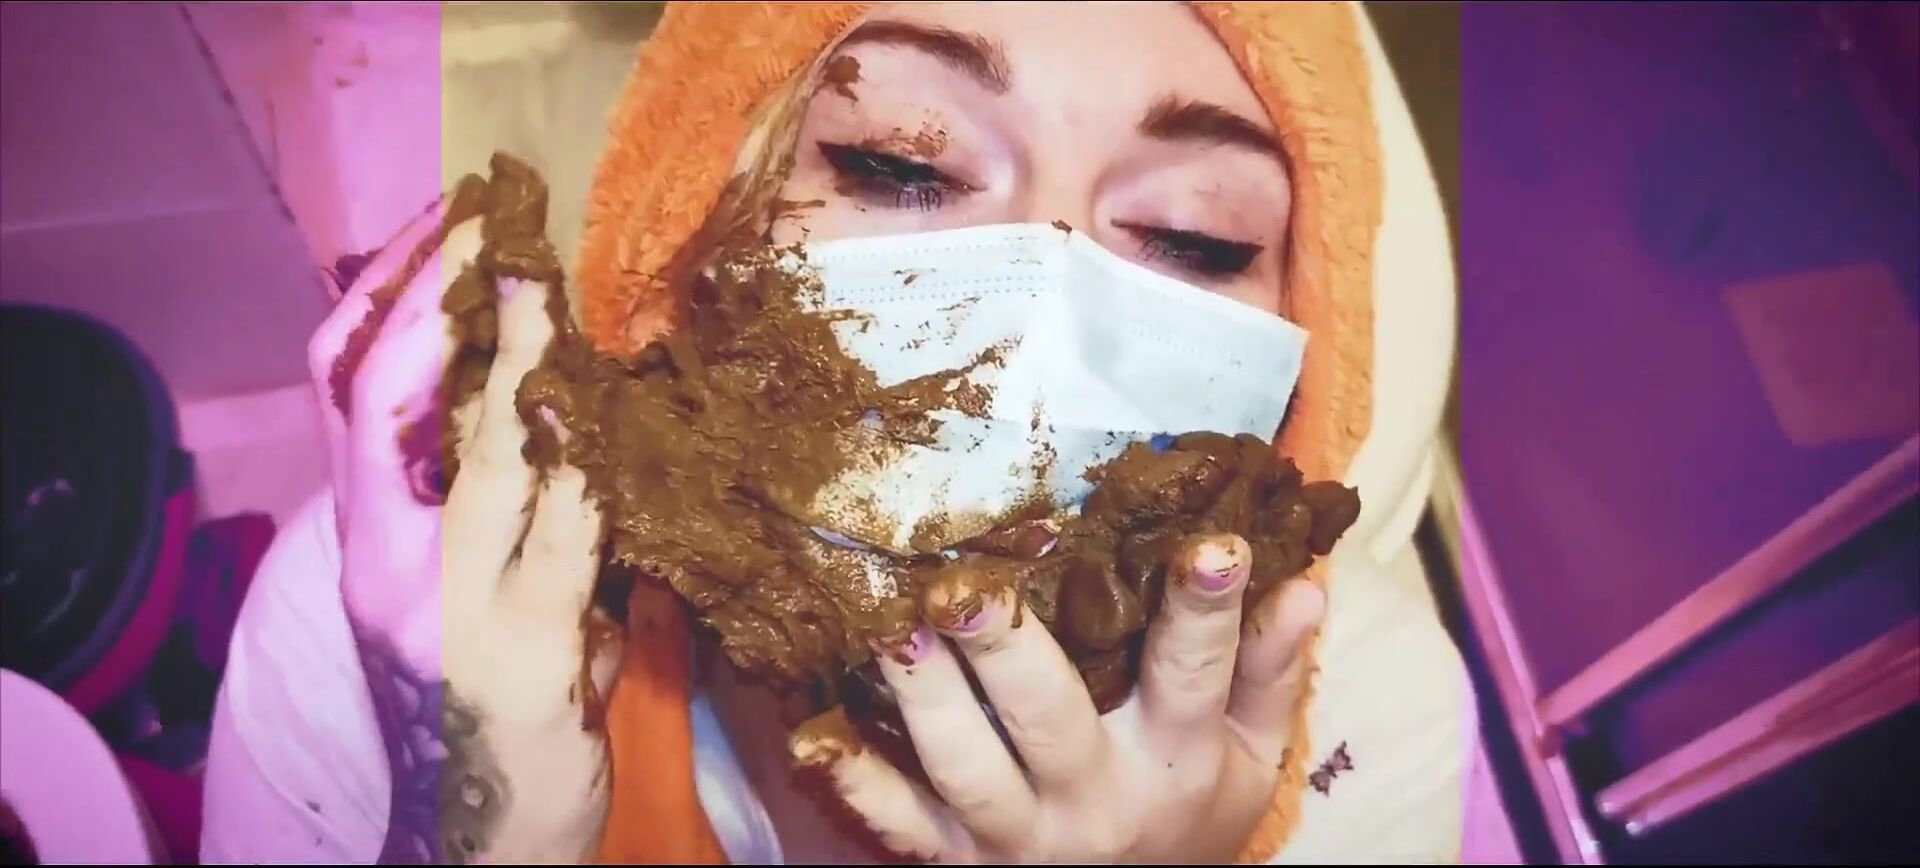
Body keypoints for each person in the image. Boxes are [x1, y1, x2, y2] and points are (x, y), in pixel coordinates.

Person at [200, 2, 1468, 864]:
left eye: (1195, 236)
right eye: (901, 165)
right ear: (697, 233)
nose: (1036, 318)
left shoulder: (1373, 719)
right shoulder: (403, 632)